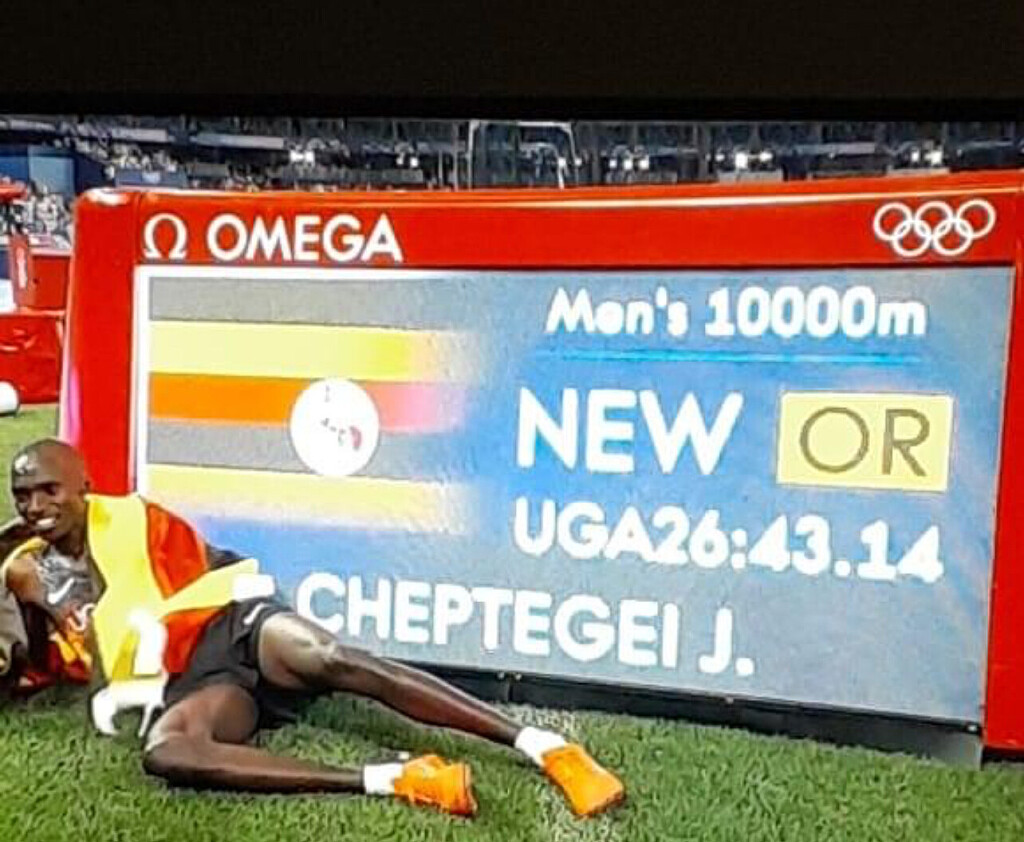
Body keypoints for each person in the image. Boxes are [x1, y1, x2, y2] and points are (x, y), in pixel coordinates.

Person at [1, 439, 625, 818]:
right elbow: (27, 654)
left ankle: (544, 746)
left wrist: (73, 619)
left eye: (49, 490)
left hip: (228, 623)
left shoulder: (133, 519)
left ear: (85, 486)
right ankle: (395, 778)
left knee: (329, 656)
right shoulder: (21, 566)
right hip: (188, 683)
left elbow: (156, 601)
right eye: (23, 495)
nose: (36, 507)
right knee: (168, 753)